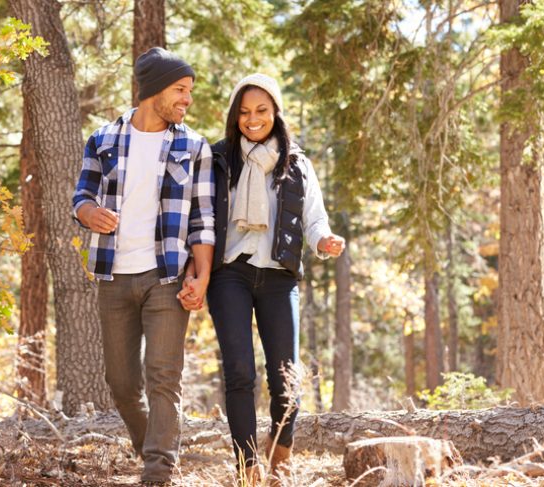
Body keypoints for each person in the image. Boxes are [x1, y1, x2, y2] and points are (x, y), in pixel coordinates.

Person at [179, 74, 345, 484]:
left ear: (276, 112)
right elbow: (197, 217)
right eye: (244, 112)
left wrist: (324, 240)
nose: (252, 120)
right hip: (228, 273)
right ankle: (247, 464)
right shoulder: (218, 159)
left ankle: (281, 454)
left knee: (285, 373)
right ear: (235, 115)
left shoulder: (297, 163)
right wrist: (194, 270)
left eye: (262, 111)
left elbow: (315, 218)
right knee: (239, 371)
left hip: (278, 275)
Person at [71, 47, 215, 485]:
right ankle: (149, 444)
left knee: (164, 377)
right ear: (153, 90)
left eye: (189, 91)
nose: (187, 100)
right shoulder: (103, 139)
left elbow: (203, 219)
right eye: (180, 90)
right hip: (113, 275)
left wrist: (202, 275)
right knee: (120, 383)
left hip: (166, 276)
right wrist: (88, 214)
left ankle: (158, 471)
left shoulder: (193, 146)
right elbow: (81, 196)